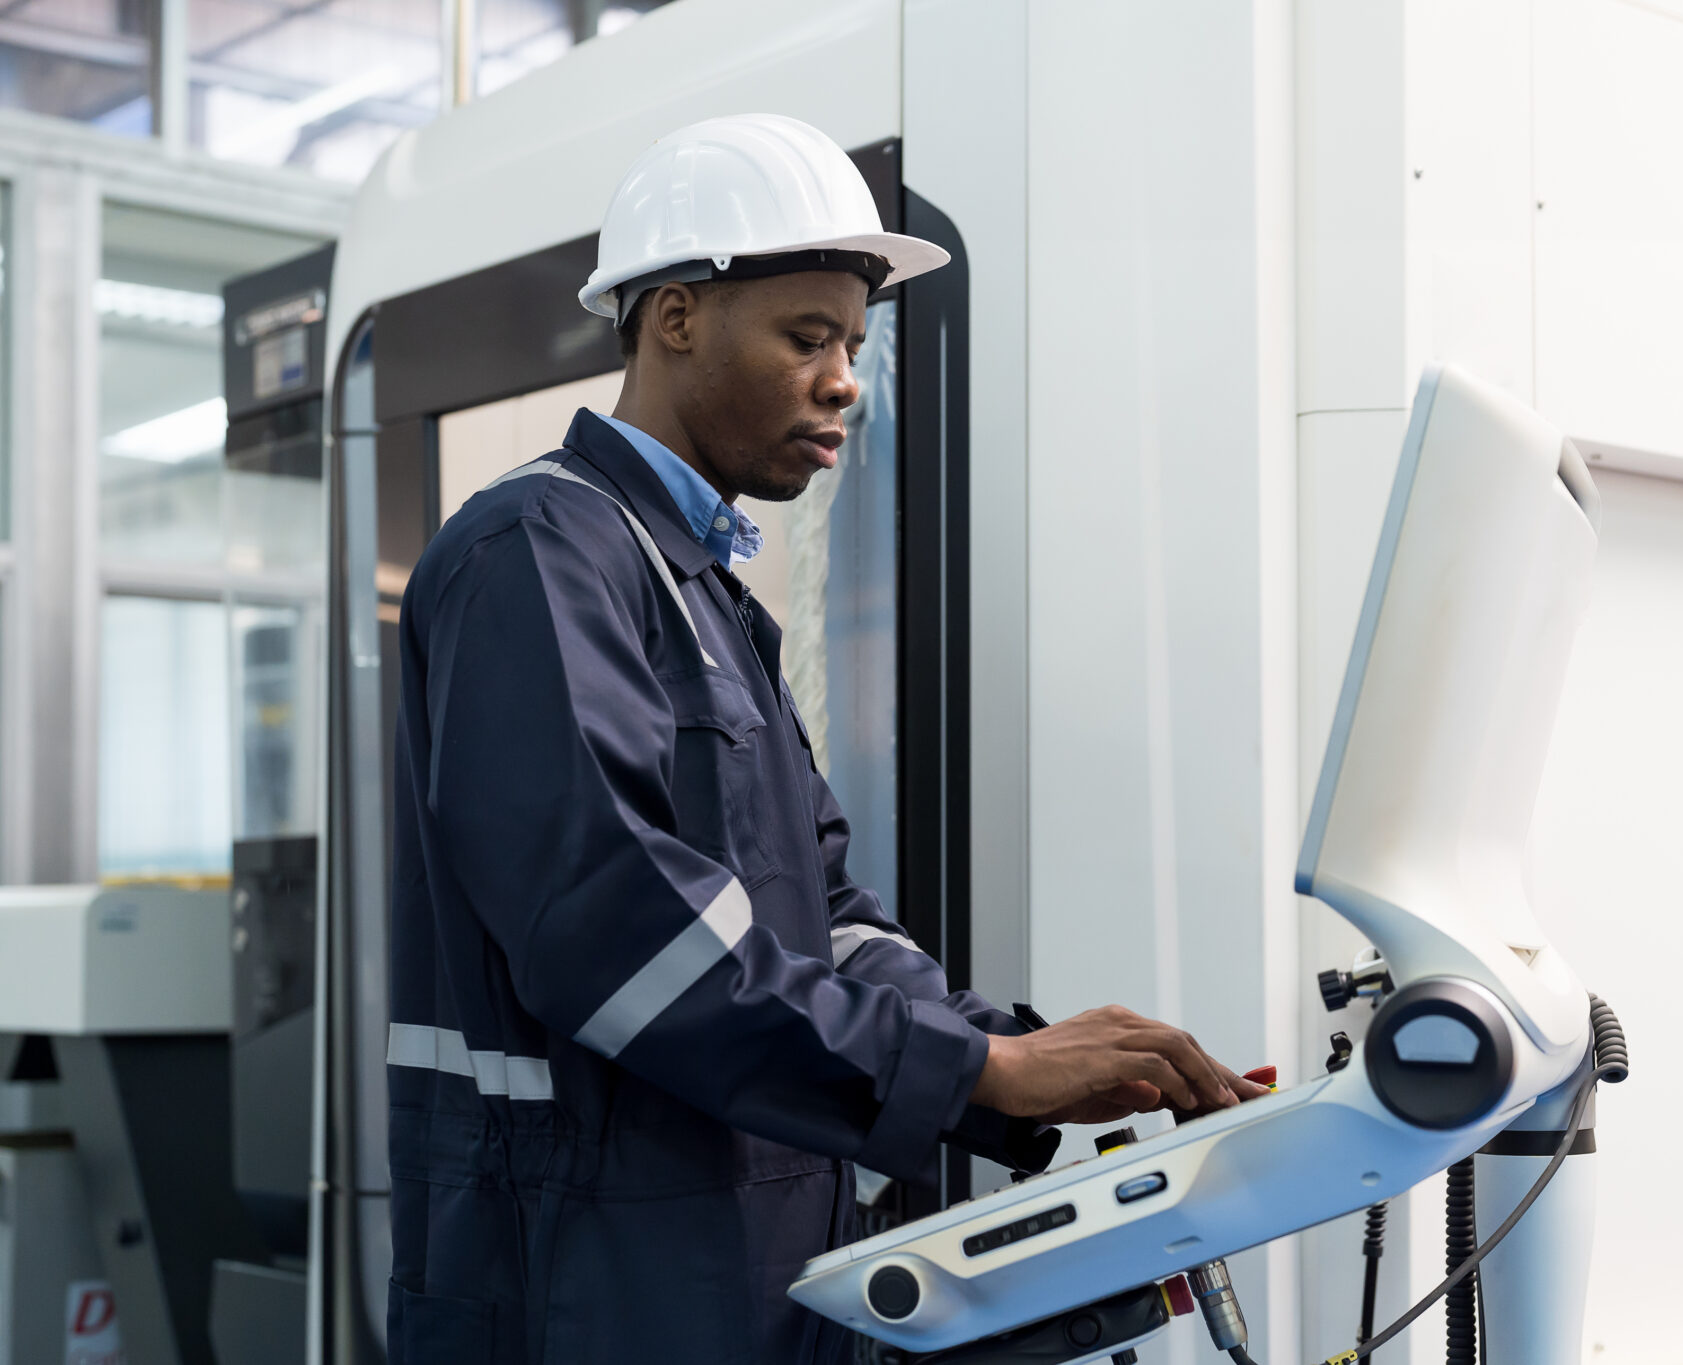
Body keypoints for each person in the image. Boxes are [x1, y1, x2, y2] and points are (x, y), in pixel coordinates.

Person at [384, 112, 1267, 1365]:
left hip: (734, 1251)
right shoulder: (538, 555)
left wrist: (999, 1049)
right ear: (676, 316)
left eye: (854, 342)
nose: (847, 377)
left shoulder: (696, 588)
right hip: (582, 1275)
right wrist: (974, 1079)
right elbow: (612, 927)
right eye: (808, 338)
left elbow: (827, 914)